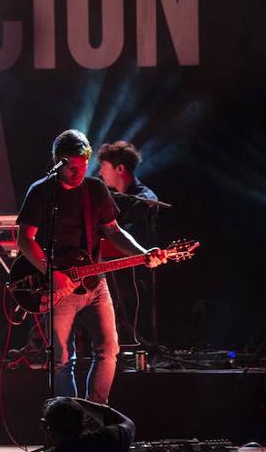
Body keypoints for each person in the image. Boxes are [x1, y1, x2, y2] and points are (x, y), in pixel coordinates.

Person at [16, 129, 164, 403]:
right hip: (58, 285)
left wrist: (144, 253)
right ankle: (67, 421)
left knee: (109, 350)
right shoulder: (41, 191)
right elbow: (24, 239)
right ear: (58, 163)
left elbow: (115, 231)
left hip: (96, 282)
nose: (79, 173)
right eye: (72, 168)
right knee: (61, 359)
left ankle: (94, 414)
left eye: (83, 167)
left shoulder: (95, 189)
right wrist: (51, 272)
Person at [97, 140, 160, 345]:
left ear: (120, 168)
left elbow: (128, 234)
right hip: (108, 272)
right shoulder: (108, 199)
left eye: (104, 167)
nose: (99, 173)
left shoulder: (146, 199)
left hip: (134, 278)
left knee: (133, 327)